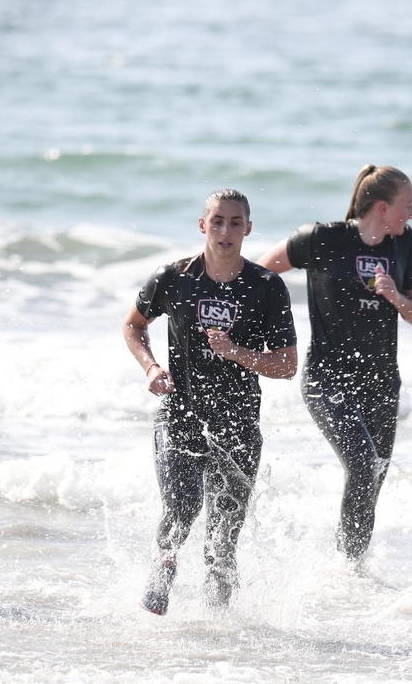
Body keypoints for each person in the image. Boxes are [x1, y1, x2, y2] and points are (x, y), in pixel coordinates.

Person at [123, 189, 297, 615]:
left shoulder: (267, 288)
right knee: (181, 510)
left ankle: (217, 634)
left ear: (248, 229)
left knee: (222, 539)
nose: (225, 230)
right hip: (179, 414)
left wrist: (239, 353)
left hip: (237, 422)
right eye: (217, 221)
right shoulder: (174, 278)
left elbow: (288, 364)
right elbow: (132, 325)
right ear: (203, 225)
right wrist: (150, 367)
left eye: (235, 222)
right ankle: (161, 573)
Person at [257, 164, 412, 562]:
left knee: (372, 477)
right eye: (408, 205)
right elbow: (258, 275)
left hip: (382, 382)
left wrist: (396, 297)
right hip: (326, 379)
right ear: (382, 207)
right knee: (364, 464)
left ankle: (352, 573)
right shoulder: (322, 238)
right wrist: (269, 331)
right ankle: (345, 565)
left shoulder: (404, 244)